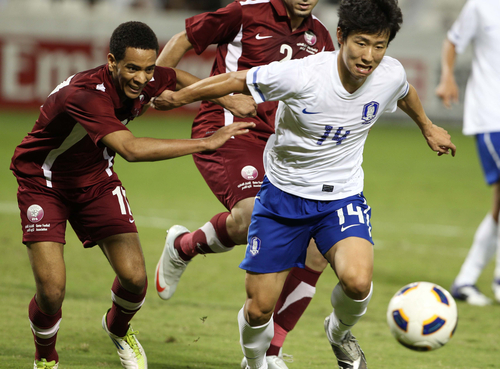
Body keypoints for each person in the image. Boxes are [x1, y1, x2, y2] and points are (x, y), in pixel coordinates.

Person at [153, 0, 457, 367]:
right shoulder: (302, 73)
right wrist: (178, 97)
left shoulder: (388, 73)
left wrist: (427, 126)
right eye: (362, 43)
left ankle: (338, 334)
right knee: (257, 310)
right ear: (342, 38)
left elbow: (404, 90)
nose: (369, 56)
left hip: (341, 198)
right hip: (282, 196)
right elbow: (237, 79)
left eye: (379, 46)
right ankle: (253, 359)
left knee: (358, 282)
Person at [10, 21, 255, 369]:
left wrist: (224, 96)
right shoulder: (86, 94)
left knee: (136, 278)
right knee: (51, 292)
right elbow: (132, 149)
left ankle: (118, 328)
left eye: (148, 68)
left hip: (96, 178)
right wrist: (206, 141)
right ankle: (46, 357)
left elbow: (177, 76)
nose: (142, 79)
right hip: (44, 181)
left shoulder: (149, 75)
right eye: (133, 69)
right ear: (111, 62)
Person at [154, 1, 334, 367]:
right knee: (253, 214)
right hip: (228, 131)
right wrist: (161, 83)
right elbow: (183, 39)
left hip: (283, 146)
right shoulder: (245, 12)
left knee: (319, 244)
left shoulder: (321, 37)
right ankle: (184, 246)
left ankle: (271, 353)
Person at [436, 0, 500, 306]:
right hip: (492, 117)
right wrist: (447, 75)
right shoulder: (482, 6)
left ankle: (466, 281)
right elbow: (452, 40)